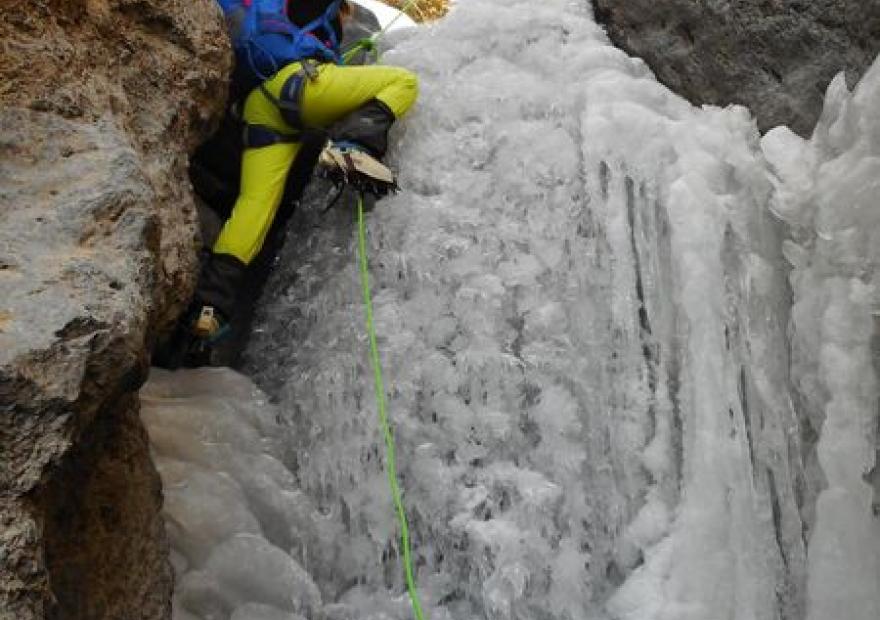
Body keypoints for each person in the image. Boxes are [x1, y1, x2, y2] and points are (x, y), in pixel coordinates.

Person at [190, 0, 418, 343]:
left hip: (260, 107)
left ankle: (208, 309)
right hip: (299, 85)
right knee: (403, 81)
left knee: (255, 207)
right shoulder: (319, 11)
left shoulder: (272, 19)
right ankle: (353, 148)